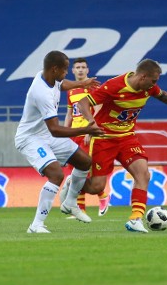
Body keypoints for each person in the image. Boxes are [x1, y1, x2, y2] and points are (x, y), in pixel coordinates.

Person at [75, 59, 167, 233]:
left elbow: (162, 94)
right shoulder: (114, 86)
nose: (155, 85)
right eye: (153, 81)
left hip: (127, 138)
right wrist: (90, 122)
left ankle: (135, 219)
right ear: (142, 77)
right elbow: (82, 102)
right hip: (104, 138)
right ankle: (73, 183)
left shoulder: (148, 87)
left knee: (143, 173)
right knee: (96, 187)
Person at [14, 50, 105, 234]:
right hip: (30, 138)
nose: (66, 73)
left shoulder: (46, 76)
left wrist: (82, 83)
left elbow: (62, 84)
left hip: (45, 134)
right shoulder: (41, 94)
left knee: (84, 161)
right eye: (64, 70)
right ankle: (36, 225)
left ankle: (70, 202)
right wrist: (86, 129)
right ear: (54, 69)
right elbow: (55, 129)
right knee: (56, 175)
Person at [61, 57, 111, 218]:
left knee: (83, 172)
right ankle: (79, 209)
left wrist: (91, 130)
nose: (81, 70)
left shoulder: (92, 88)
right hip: (74, 135)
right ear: (73, 71)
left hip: (86, 134)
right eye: (78, 67)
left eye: (83, 67)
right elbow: (70, 114)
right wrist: (63, 133)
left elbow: (97, 111)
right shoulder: (71, 90)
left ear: (88, 70)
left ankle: (102, 195)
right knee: (75, 173)